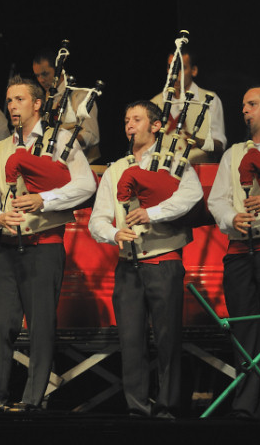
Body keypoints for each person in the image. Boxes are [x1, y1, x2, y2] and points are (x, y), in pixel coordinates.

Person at [0, 75, 96, 413]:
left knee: (41, 328)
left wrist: (45, 199)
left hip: (44, 245)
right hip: (5, 248)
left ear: (38, 104)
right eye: (9, 100)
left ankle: (32, 402)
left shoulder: (61, 142)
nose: (12, 106)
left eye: (19, 99)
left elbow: (86, 185)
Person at [88, 101, 202, 418]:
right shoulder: (116, 169)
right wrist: (113, 234)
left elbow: (191, 196)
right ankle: (136, 409)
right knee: (131, 342)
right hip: (127, 264)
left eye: (136, 119)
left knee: (167, 340)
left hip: (164, 261)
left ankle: (167, 409)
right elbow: (97, 219)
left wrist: (151, 213)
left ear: (155, 126)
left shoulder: (173, 162)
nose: (129, 125)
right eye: (126, 120)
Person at [208, 85, 260, 418]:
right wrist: (233, 217)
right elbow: (216, 199)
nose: (245, 110)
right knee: (244, 327)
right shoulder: (233, 153)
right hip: (240, 250)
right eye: (243, 105)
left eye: (253, 104)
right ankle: (247, 405)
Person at [150, 47, 226, 164]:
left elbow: (219, 146)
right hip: (163, 173)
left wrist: (200, 142)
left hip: (200, 172)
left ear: (194, 70)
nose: (174, 73)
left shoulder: (209, 100)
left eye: (181, 68)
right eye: (171, 67)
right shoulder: (155, 102)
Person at [32, 49, 102, 162]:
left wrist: (61, 141)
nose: (41, 80)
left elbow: (92, 136)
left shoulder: (80, 96)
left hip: (84, 165)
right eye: (37, 76)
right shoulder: (44, 100)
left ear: (59, 70)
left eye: (45, 74)